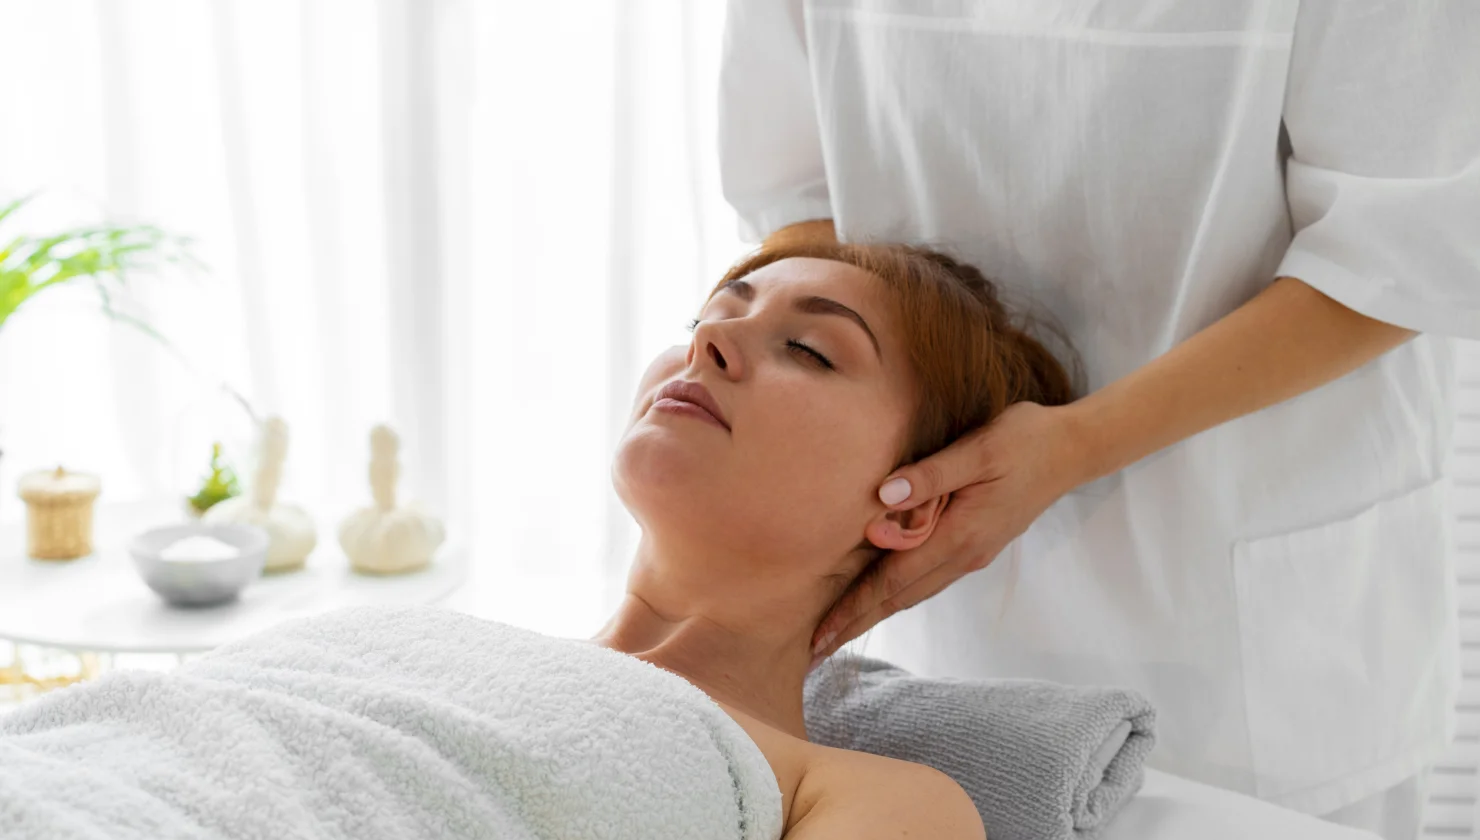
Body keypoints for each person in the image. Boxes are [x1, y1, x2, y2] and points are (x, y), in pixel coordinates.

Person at [717, 2, 1480, 837]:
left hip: (1266, 656)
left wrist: (1069, 446)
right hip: (937, 633)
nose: (712, 345)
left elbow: (1399, 247)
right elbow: (796, 196)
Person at [599, 241, 1070, 837]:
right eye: (702, 321)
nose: (707, 341)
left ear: (908, 508)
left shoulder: (875, 802)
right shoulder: (487, 648)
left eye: (808, 350)